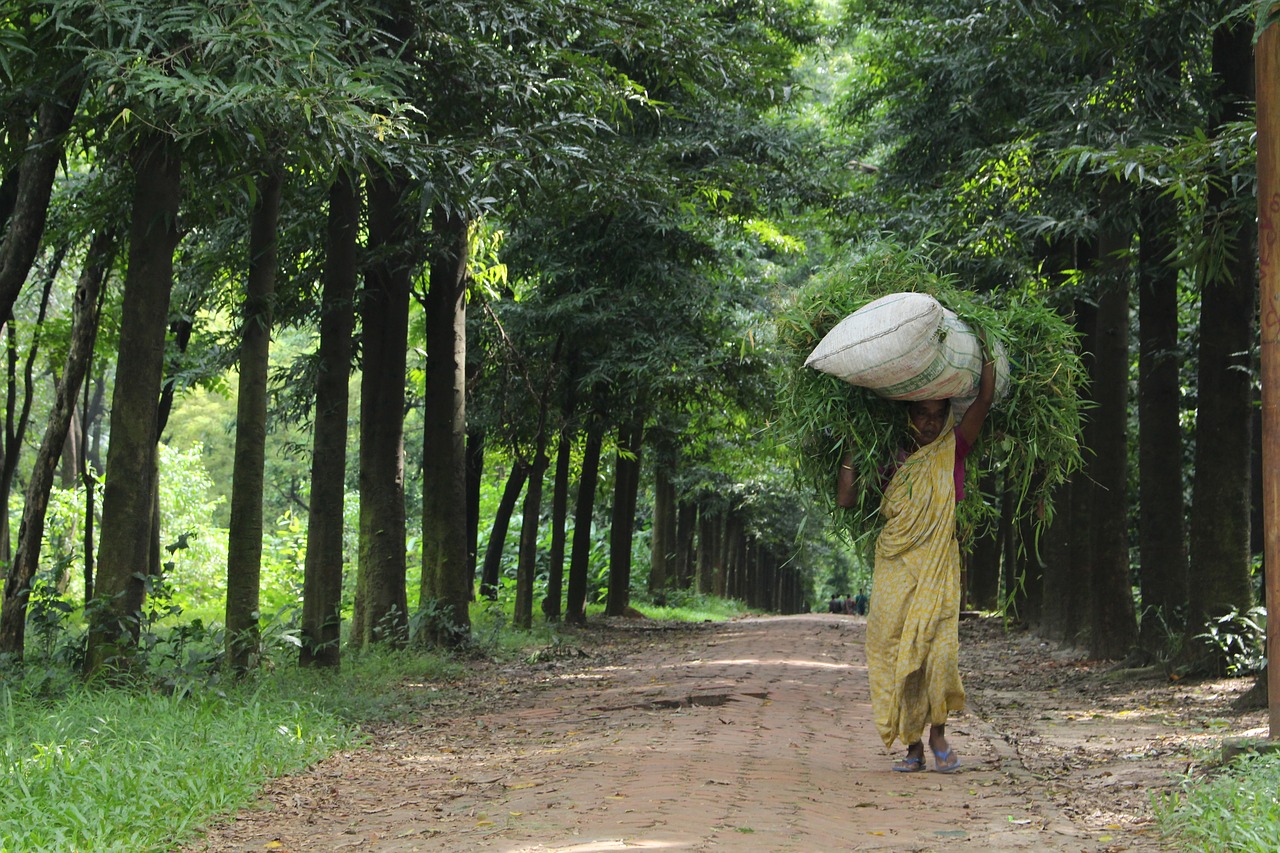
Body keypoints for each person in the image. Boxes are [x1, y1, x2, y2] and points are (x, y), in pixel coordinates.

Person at [836, 334, 995, 774]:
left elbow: (982, 402)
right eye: (922, 414)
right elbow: (847, 499)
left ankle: (939, 733)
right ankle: (913, 747)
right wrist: (854, 439)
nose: (929, 423)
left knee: (939, 651)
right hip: (896, 562)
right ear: (908, 415)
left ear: (947, 417)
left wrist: (988, 354)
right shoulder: (889, 454)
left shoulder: (953, 449)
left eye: (937, 414)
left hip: (940, 562)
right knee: (895, 648)